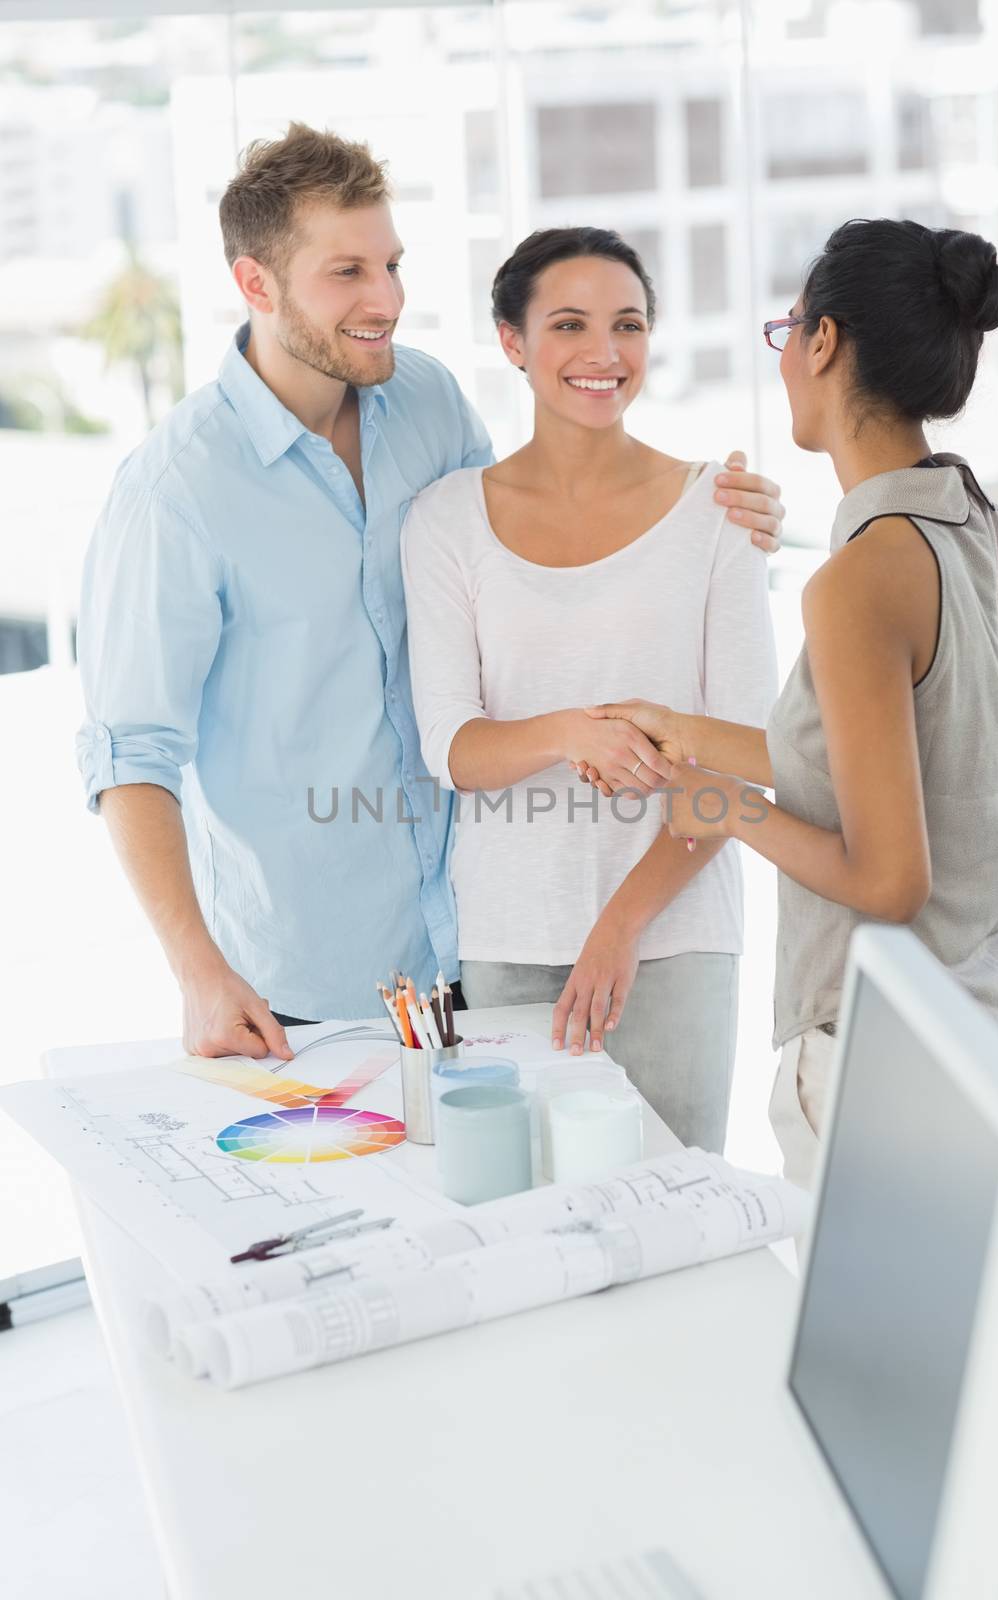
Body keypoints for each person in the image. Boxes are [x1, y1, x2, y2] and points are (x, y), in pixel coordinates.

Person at [76, 123, 782, 1063]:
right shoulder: (177, 491)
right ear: (256, 284)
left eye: (393, 265)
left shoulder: (427, 403)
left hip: (477, 946)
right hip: (305, 983)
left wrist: (722, 517)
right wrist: (198, 972)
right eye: (348, 273)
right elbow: (129, 754)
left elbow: (518, 573)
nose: (386, 301)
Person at [586, 218, 998, 1185]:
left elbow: (888, 882)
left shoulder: (856, 578)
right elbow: (871, 761)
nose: (784, 356)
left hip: (881, 1065)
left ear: (821, 341)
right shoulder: (977, 526)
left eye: (785, 331)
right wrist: (686, 734)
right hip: (990, 1039)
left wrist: (721, 807)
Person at [401, 227, 780, 1151]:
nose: (604, 354)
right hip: (508, 937)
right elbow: (453, 750)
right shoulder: (446, 519)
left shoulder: (715, 512)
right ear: (511, 341)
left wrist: (620, 926)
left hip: (676, 938)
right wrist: (572, 730)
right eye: (568, 324)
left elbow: (742, 769)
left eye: (629, 324)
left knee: (682, 1211)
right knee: (523, 1217)